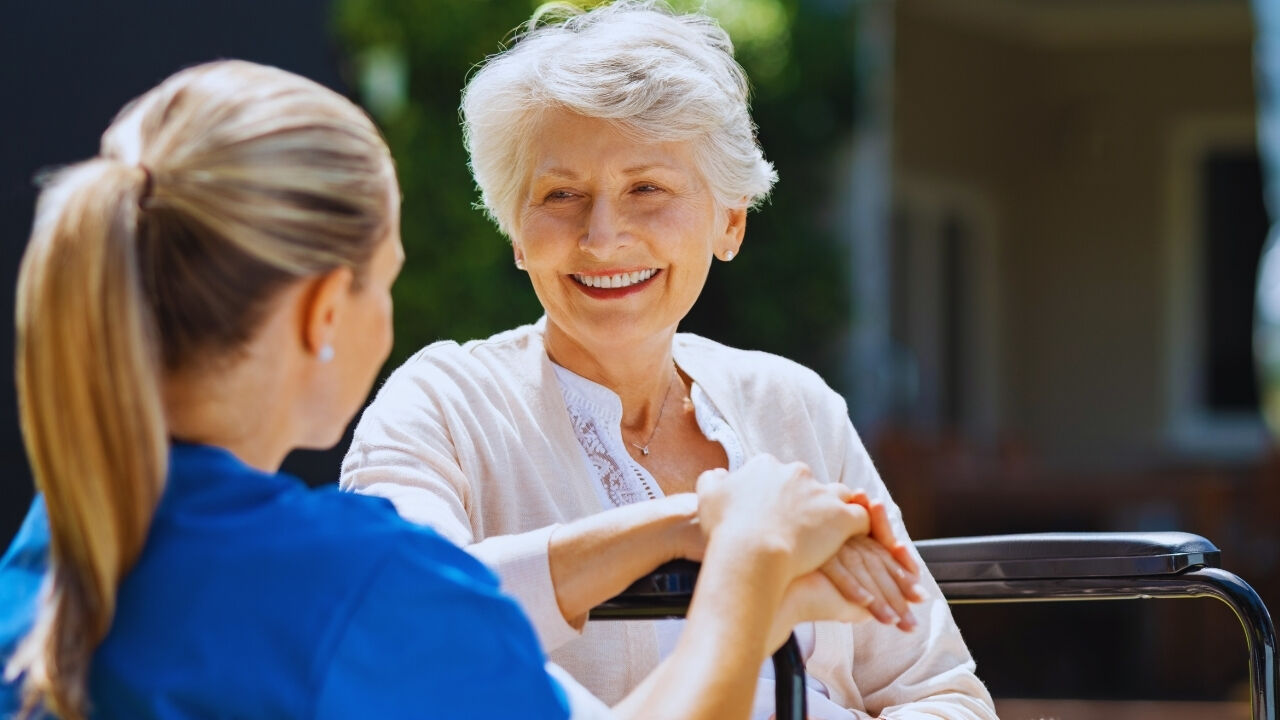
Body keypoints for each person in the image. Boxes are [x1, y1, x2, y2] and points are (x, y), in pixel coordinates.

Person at [0, 59, 888, 720]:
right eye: (384, 282)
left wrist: (687, 523)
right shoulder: (361, 585)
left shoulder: (54, 550)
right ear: (321, 313)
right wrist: (749, 563)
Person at [339, 2, 998, 718]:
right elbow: (394, 615)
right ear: (516, 231)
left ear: (730, 220)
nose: (602, 236)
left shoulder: (794, 404)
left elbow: (937, 690)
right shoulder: (444, 404)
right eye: (562, 194)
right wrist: (706, 525)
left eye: (646, 188)